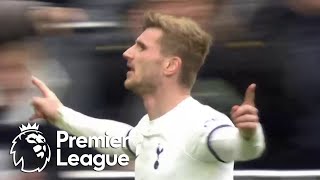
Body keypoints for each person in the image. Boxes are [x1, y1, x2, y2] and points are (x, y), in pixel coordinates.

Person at [30, 12, 265, 180]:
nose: (127, 53)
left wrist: (248, 135)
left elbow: (240, 148)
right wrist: (59, 114)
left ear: (170, 66)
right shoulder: (147, 128)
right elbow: (119, 137)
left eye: (141, 47)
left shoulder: (203, 125)